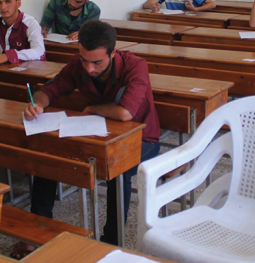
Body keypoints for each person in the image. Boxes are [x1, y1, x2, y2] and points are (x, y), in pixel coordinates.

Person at [23, 20, 160, 248]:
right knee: (51, 154)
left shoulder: (135, 66)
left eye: (97, 62)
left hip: (143, 138)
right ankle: (39, 231)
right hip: (100, 133)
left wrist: (91, 110)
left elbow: (126, 112)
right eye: (84, 60)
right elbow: (51, 90)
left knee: (118, 169)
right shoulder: (78, 64)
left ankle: (111, 242)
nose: (89, 69)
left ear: (113, 53)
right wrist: (37, 104)